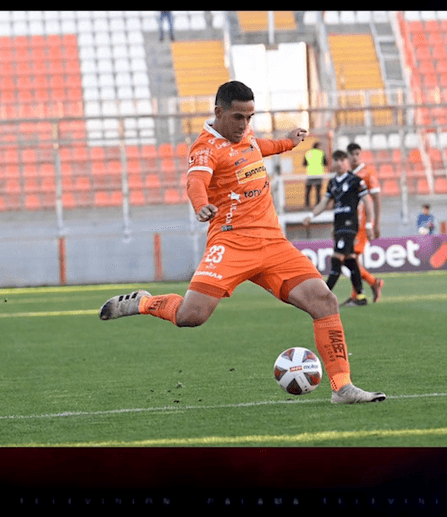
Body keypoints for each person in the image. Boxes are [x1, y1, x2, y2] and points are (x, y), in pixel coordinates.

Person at [100, 81, 385, 404]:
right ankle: (143, 302)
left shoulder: (245, 134)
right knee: (190, 317)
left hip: (273, 242)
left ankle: (342, 387)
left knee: (325, 302)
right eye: (238, 117)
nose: (244, 125)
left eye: (250, 117)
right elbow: (196, 180)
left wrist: (287, 143)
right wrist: (200, 204)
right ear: (219, 112)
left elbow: (257, 146)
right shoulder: (205, 148)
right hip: (231, 242)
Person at [302, 150, 374, 307]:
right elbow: (323, 202)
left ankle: (323, 296)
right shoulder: (333, 183)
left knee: (336, 259)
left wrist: (369, 224)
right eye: (337, 160)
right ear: (333, 163)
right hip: (339, 225)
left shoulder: (356, 180)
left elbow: (368, 202)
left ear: (346, 162)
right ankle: (361, 296)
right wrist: (311, 215)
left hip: (350, 225)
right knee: (350, 260)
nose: (340, 163)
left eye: (342, 160)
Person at [345, 142, 385, 304]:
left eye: (357, 154)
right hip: (348, 223)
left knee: (350, 258)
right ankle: (371, 283)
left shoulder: (367, 173)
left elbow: (376, 199)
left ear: (360, 155)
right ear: (347, 156)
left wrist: (375, 224)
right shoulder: (347, 174)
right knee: (351, 259)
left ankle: (361, 291)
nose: (354, 157)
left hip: (362, 223)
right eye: (351, 154)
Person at [302, 141, 328, 208]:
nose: (321, 147)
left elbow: (304, 164)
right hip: (318, 174)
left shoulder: (308, 153)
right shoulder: (321, 153)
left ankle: (307, 205)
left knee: (308, 191)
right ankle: (318, 204)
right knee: (318, 191)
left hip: (310, 174)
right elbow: (325, 163)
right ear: (317, 146)